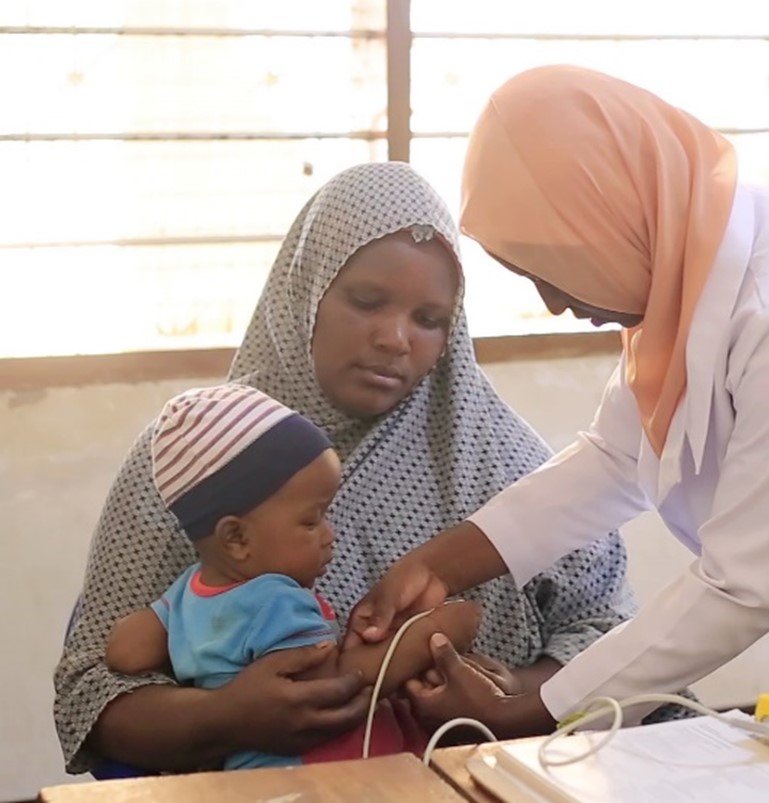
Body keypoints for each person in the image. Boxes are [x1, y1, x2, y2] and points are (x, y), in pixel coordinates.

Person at [350, 66, 769, 737]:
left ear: (609, 213)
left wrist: (537, 706)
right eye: (529, 277)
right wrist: (436, 565)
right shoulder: (692, 252)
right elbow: (618, 456)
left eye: (554, 268)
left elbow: (739, 587)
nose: (555, 303)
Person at [54, 161, 638, 775]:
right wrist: (225, 717)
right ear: (306, 291)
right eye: (366, 302)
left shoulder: (502, 459)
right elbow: (90, 688)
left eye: (430, 320)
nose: (395, 338)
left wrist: (518, 689)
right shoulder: (197, 454)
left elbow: (613, 633)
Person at [104, 383, 482, 769]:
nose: (329, 534)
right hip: (312, 779)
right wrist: (432, 635)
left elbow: (125, 652)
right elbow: (329, 688)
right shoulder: (277, 598)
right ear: (236, 538)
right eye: (312, 519)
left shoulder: (186, 592)